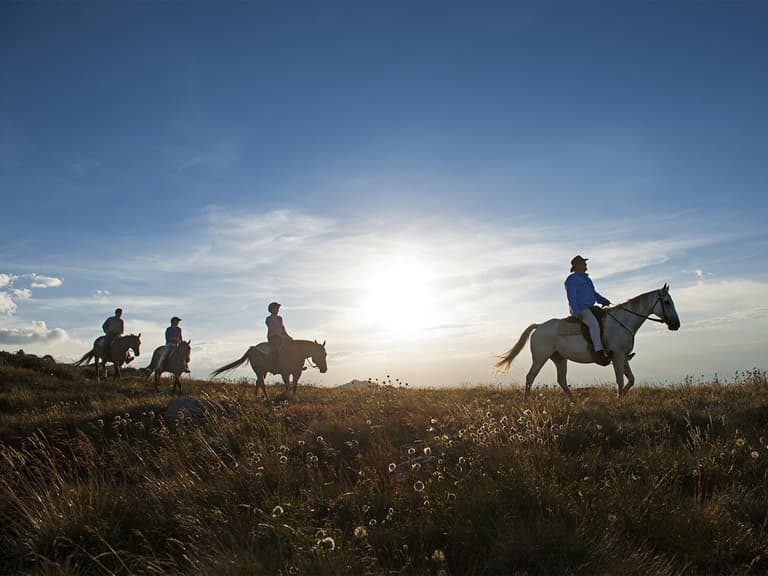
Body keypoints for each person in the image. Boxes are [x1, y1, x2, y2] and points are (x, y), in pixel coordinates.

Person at [564, 255, 611, 364]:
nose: (586, 265)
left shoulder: (587, 279)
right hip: (581, 309)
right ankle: (599, 352)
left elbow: (593, 294)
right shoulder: (571, 279)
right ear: (577, 266)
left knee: (608, 321)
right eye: (583, 263)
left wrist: (603, 300)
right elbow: (571, 297)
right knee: (593, 324)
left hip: (591, 308)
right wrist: (576, 312)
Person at [266, 302, 291, 372]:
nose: (277, 310)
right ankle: (275, 366)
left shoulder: (280, 318)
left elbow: (283, 328)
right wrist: (281, 336)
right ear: (271, 310)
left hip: (281, 337)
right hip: (273, 337)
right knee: (276, 350)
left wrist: (288, 336)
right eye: (276, 308)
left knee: (292, 346)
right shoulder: (269, 319)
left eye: (278, 309)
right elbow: (272, 329)